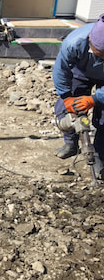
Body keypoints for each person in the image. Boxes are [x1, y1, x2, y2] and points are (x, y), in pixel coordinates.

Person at [52, 14, 104, 175]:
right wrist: (67, 97)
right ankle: (71, 144)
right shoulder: (74, 42)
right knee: (67, 108)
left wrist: (94, 98)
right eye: (99, 53)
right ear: (89, 40)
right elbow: (61, 70)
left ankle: (99, 154)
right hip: (82, 70)